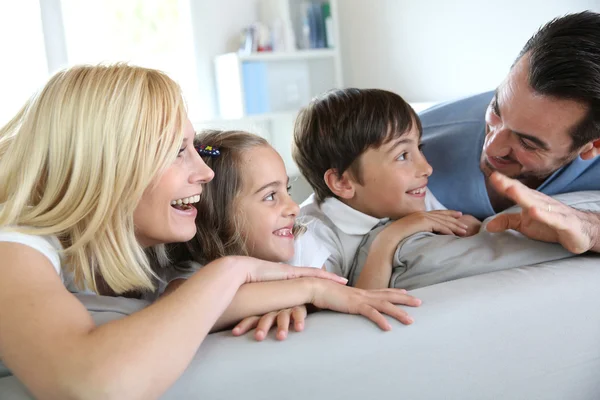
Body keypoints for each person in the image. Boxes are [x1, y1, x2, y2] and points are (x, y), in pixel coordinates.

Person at [0, 64, 421, 399]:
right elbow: (94, 387)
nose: (203, 172)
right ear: (110, 163)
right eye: (177, 151)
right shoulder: (15, 243)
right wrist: (233, 270)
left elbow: (179, 306)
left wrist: (310, 289)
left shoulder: (145, 251)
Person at [164, 129, 421, 341]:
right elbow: (182, 307)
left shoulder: (301, 247)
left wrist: (387, 240)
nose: (293, 207)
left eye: (286, 190)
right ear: (216, 213)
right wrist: (308, 292)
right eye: (270, 196)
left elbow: (360, 304)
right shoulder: (194, 275)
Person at [419, 11, 600, 253]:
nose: (491, 147)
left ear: (593, 146)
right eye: (496, 109)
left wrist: (591, 230)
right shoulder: (411, 144)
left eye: (527, 143)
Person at [292, 88, 476, 289]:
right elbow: (352, 313)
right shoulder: (311, 236)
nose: (427, 168)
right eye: (402, 156)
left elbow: (467, 226)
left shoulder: (414, 193)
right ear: (342, 182)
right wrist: (388, 239)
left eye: (419, 148)